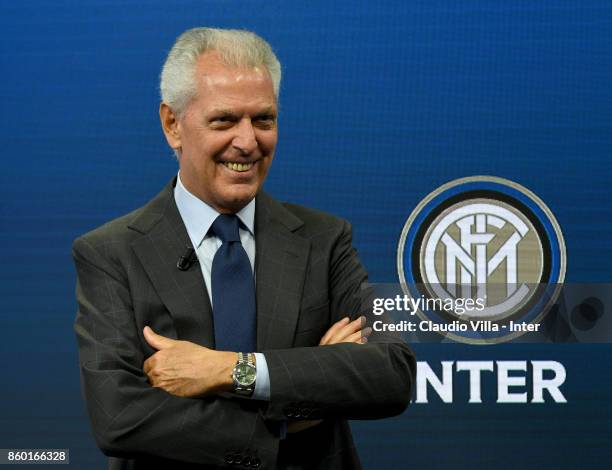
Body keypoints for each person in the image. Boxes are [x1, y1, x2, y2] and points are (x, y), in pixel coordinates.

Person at [73, 27, 415, 470]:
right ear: (172, 124)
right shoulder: (109, 253)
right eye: (224, 120)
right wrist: (290, 418)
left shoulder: (327, 239)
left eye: (264, 120)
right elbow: (119, 417)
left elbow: (392, 372)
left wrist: (230, 370)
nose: (249, 141)